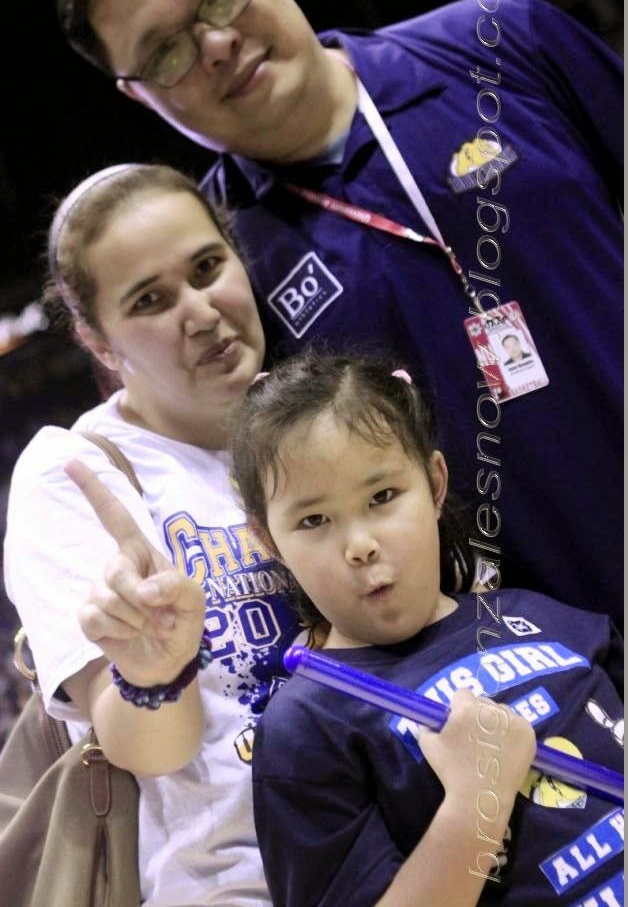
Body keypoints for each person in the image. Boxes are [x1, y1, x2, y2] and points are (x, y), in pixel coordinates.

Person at [56, 0, 624, 622]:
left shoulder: (502, 44)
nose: (216, 44)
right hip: (544, 668)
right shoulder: (225, 268)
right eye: (166, 52)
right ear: (142, 98)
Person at [3, 163, 302, 907]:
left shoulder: (323, 416)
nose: (200, 312)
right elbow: (149, 752)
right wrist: (154, 671)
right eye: (150, 300)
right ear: (98, 341)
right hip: (246, 884)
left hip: (411, 842)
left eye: (207, 268)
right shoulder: (77, 472)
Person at [230, 351, 624, 907]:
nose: (360, 544)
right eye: (314, 520)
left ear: (435, 483)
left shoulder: (542, 616)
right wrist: (475, 801)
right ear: (269, 541)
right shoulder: (306, 727)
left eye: (382, 497)